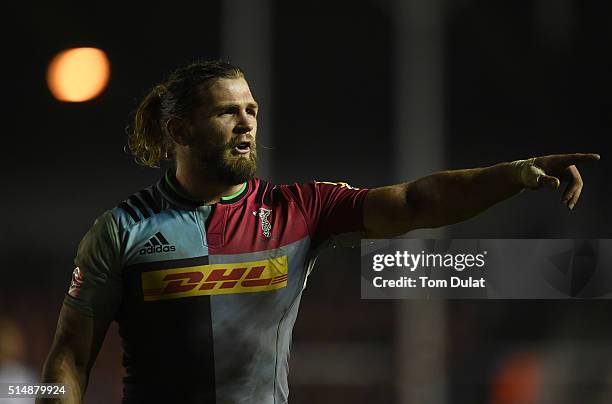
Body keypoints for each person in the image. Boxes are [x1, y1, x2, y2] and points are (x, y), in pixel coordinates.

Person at [38, 59, 599, 404]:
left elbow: (415, 201)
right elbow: (67, 357)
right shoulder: (123, 230)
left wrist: (512, 175)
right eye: (226, 112)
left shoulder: (301, 210)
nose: (247, 124)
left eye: (252, 110)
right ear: (180, 129)